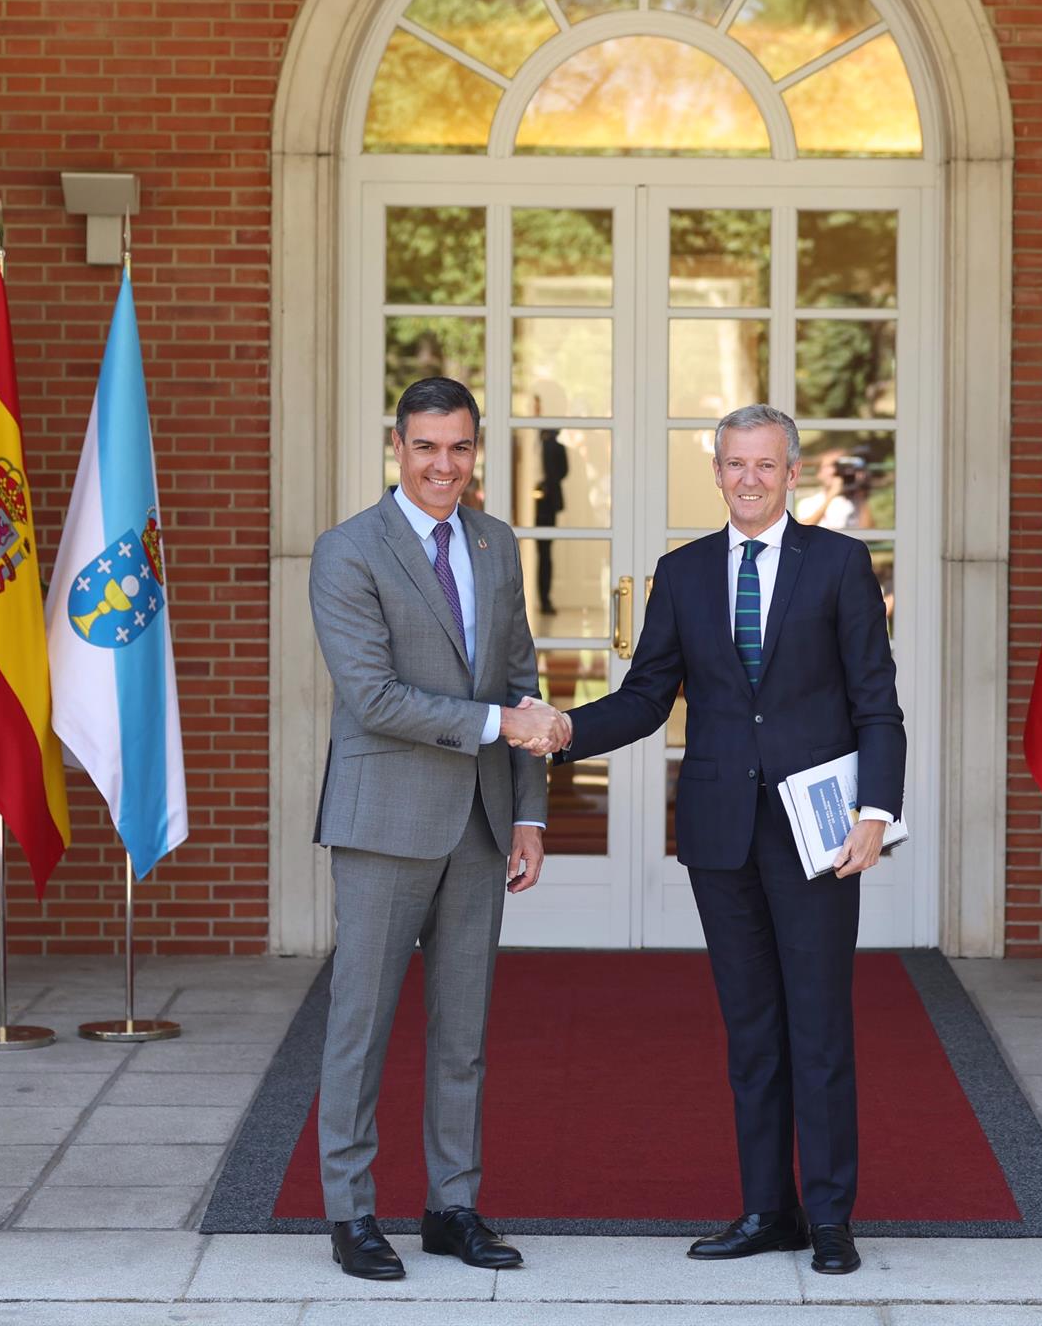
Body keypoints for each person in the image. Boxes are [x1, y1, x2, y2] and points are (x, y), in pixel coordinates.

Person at [553, 403, 904, 1275]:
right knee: (751, 1029)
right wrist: (563, 730)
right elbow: (644, 698)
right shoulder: (684, 572)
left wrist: (878, 813)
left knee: (818, 1025)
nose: (748, 479)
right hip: (720, 832)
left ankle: (828, 1217)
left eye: (764, 464)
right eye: (733, 464)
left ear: (790, 472)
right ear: (716, 472)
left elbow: (876, 703)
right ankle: (765, 1210)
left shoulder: (840, 566)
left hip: (816, 832)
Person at [307, 376, 567, 1282]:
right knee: (362, 1022)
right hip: (384, 821)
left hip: (482, 825)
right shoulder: (349, 551)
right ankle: (350, 1212)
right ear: (398, 446)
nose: (443, 466)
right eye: (426, 447)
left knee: (464, 1030)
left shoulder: (495, 543)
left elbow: (518, 673)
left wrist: (529, 809)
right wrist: (501, 727)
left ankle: (453, 1206)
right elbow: (374, 698)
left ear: (475, 448)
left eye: (459, 447)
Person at [533, 428, 568, 615]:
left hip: (546, 504)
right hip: (524, 501)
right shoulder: (527, 440)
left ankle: (545, 599)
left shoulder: (556, 446)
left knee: (545, 553)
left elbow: (562, 471)